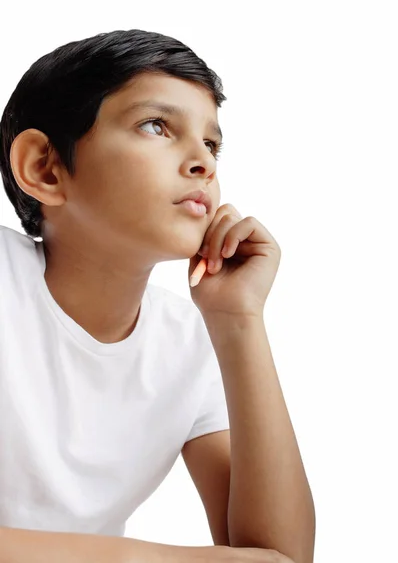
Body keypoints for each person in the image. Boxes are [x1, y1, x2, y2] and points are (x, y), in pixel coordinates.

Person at [0, 29, 314, 563]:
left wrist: (238, 320)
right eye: (156, 125)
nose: (204, 163)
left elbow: (278, 554)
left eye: (211, 144)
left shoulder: (189, 344)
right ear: (44, 168)